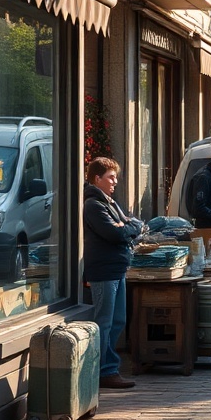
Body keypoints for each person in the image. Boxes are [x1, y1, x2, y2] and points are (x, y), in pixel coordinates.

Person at [83, 157, 145, 389]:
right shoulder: (93, 205)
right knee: (105, 323)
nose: (115, 182)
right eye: (110, 177)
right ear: (96, 178)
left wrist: (127, 226)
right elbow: (114, 233)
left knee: (118, 320)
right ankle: (103, 371)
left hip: (117, 268)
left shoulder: (108, 202)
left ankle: (108, 367)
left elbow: (135, 224)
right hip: (103, 271)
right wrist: (125, 227)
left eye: (115, 177)